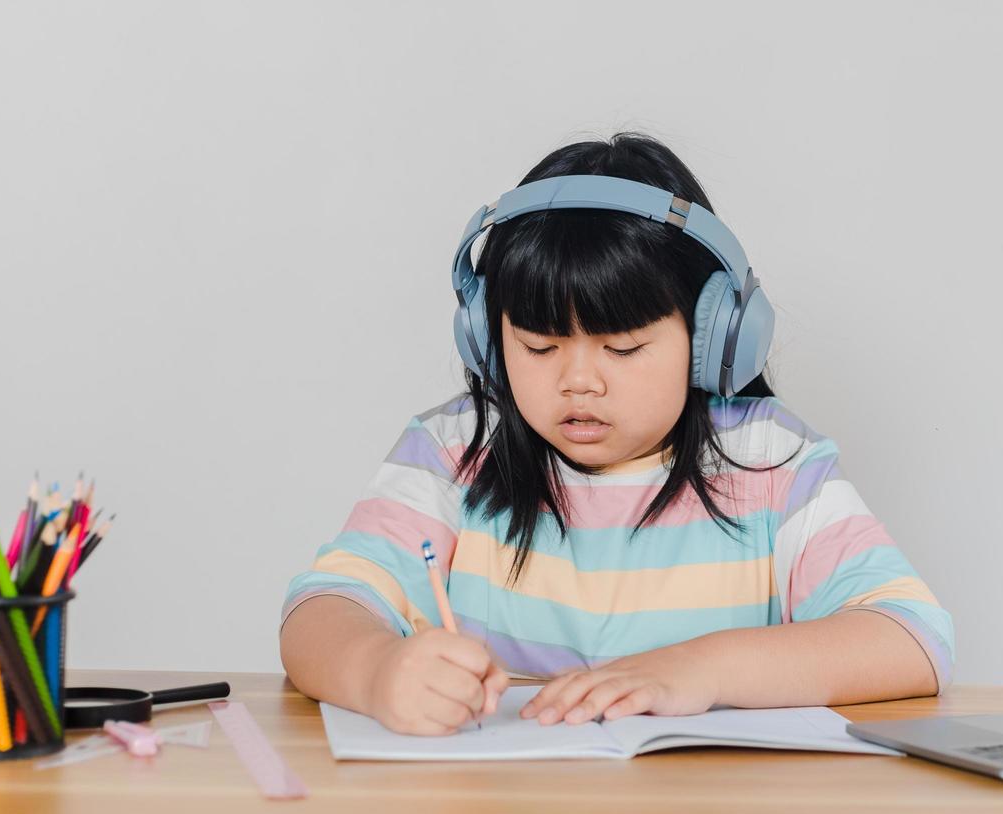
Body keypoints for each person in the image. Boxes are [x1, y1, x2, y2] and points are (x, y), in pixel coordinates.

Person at [280, 133, 954, 736]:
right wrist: (378, 672)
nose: (579, 382)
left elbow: (911, 638)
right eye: (540, 348)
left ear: (713, 336)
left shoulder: (769, 462)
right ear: (489, 339)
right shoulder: (454, 452)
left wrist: (696, 669)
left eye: (624, 349)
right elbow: (320, 612)